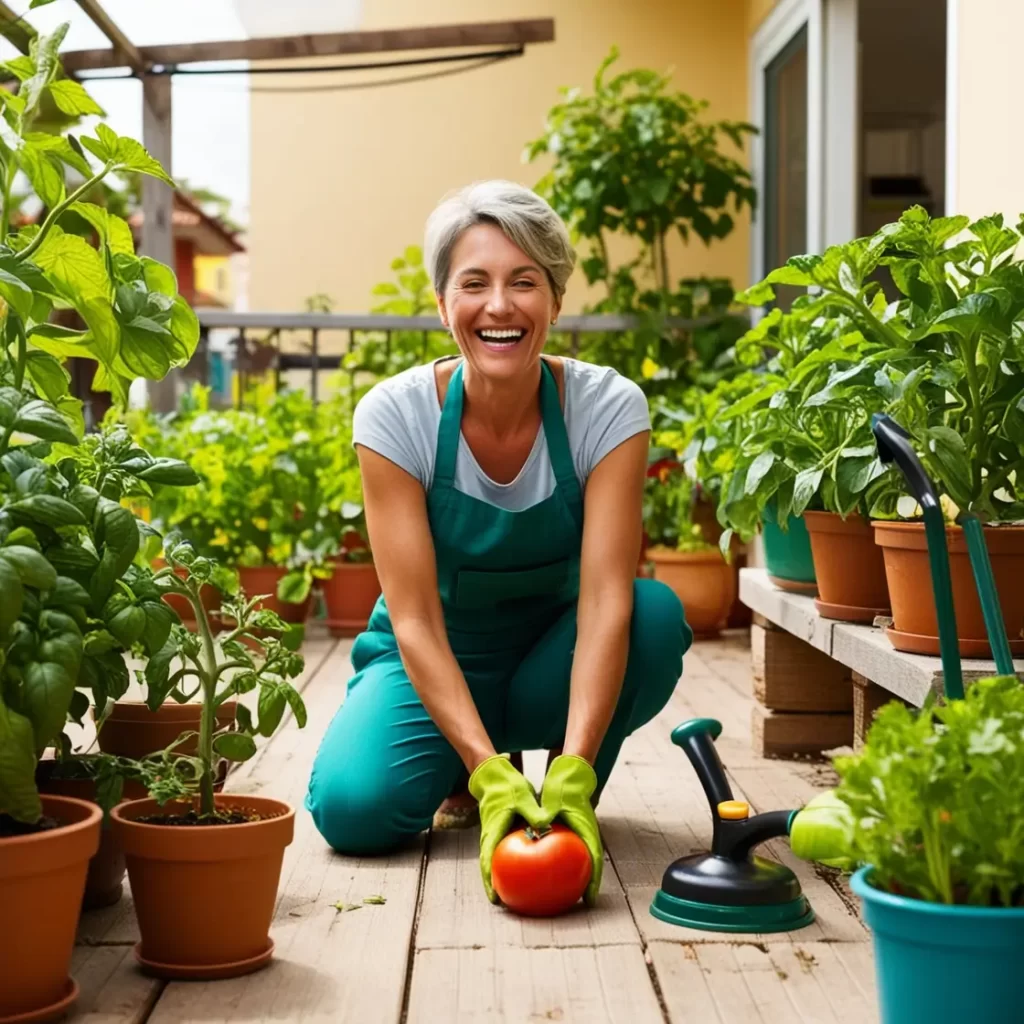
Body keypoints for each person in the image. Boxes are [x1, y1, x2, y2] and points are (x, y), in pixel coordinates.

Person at [306, 180, 693, 906]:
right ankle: (478, 767)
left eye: (525, 282)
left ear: (554, 300)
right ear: (443, 303)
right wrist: (483, 770)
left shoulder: (606, 408)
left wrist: (575, 763)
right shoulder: (398, 417)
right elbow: (413, 617)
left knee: (652, 614)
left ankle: (562, 783)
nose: (500, 306)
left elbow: (607, 599)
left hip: (556, 651)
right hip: (437, 653)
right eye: (474, 283)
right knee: (353, 811)